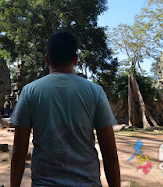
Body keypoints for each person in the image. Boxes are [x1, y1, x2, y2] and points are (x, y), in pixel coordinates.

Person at [10, 31, 121, 187]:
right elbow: (110, 154)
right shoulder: (95, 92)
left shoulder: (30, 91)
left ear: (47, 60)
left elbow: (18, 154)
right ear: (75, 59)